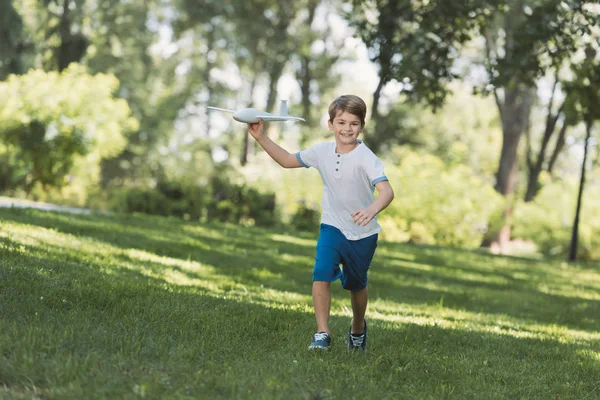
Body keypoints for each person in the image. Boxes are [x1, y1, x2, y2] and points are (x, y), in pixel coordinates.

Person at [247, 95, 394, 351]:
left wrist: (372, 209)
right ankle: (322, 332)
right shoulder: (321, 152)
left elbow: (387, 191)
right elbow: (286, 160)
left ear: (361, 126)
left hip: (363, 233)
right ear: (330, 124)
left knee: (356, 285)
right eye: (341, 122)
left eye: (354, 123)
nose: (347, 128)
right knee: (322, 272)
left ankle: (358, 326)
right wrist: (260, 137)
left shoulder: (366, 157)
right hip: (332, 226)